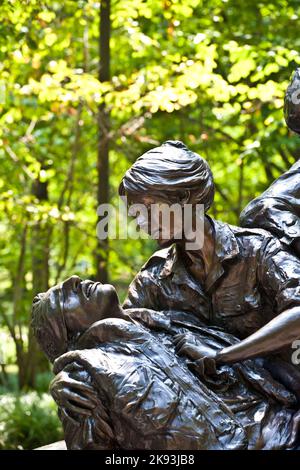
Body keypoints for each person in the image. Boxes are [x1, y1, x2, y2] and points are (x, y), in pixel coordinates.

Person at [32, 277, 300, 449]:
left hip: (286, 422)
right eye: (63, 297)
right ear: (70, 336)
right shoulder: (84, 377)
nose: (73, 280)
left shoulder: (168, 320)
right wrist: (68, 369)